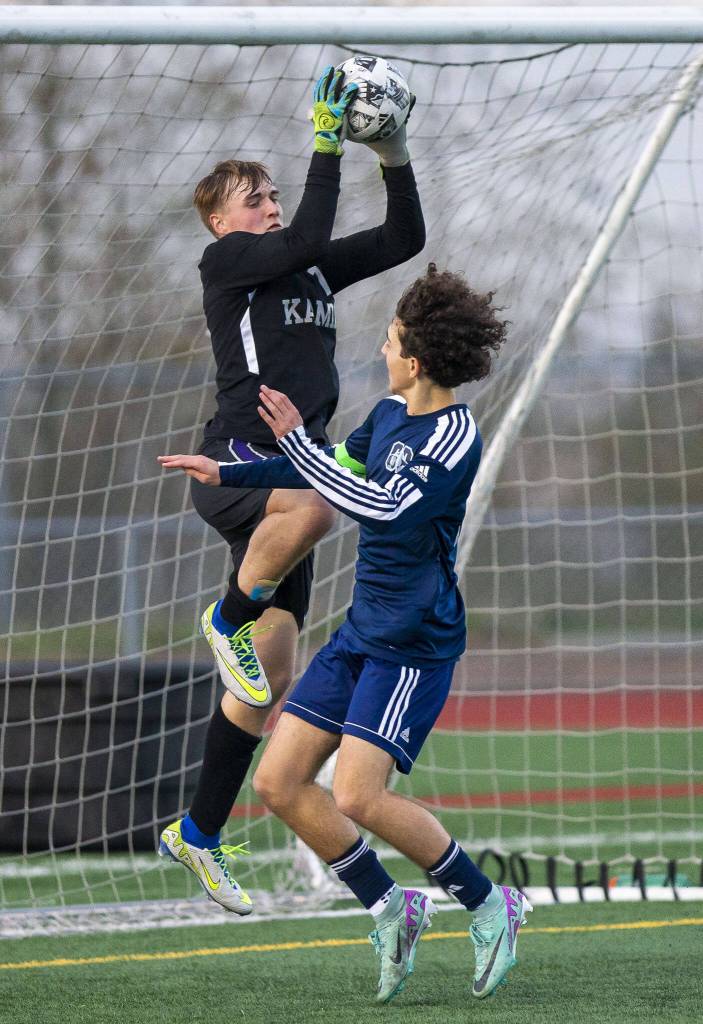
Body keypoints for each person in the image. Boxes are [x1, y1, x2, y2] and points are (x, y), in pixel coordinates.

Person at [159, 264, 531, 1002]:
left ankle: (491, 904)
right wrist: (232, 474)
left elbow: (382, 505)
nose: (382, 350)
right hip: (361, 631)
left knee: (359, 796)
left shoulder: (453, 435)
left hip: (412, 644)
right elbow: (333, 466)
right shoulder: (389, 414)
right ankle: (391, 906)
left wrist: (296, 443)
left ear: (415, 359)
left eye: (391, 340)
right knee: (277, 780)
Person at [157, 65, 424, 914]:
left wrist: (393, 151)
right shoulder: (226, 262)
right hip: (240, 461)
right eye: (254, 198)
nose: (269, 206)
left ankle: (194, 834)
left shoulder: (302, 273)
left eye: (271, 194)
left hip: (289, 472)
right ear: (219, 220)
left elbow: (401, 239)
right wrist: (322, 139)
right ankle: (224, 617)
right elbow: (304, 236)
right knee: (317, 504)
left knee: (264, 683)